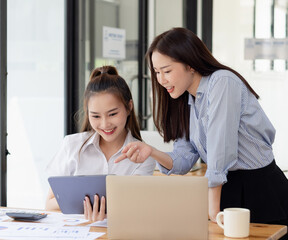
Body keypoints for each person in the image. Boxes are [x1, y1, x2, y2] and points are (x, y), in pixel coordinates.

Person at [115, 27, 288, 230]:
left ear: (190, 65)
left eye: (167, 71)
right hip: (225, 190)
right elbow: (184, 159)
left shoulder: (222, 82)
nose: (161, 80)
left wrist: (212, 211)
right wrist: (151, 152)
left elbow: (220, 150)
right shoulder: (186, 100)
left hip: (259, 190)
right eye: (157, 72)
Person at [45, 65, 156, 222]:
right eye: (96, 116)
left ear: (129, 107)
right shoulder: (72, 145)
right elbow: (49, 203)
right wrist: (90, 206)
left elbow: (135, 208)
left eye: (112, 114)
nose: (105, 124)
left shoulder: (142, 155)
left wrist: (79, 201)